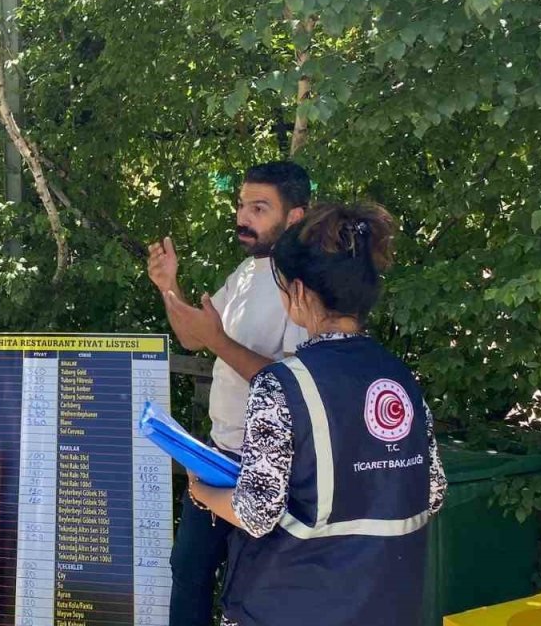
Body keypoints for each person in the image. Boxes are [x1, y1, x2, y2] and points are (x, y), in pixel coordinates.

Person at [188, 202, 446, 626]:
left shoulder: (282, 384)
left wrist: (202, 491)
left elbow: (256, 512)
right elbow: (431, 492)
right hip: (387, 605)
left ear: (301, 293)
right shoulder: (400, 378)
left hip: (288, 604)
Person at [145, 161, 311, 626]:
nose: (243, 217)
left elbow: (296, 387)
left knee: (251, 592)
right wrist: (168, 287)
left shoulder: (303, 287)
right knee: (189, 570)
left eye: (259, 208)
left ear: (295, 217)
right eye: (242, 205)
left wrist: (218, 340)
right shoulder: (245, 272)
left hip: (272, 469)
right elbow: (192, 337)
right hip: (218, 458)